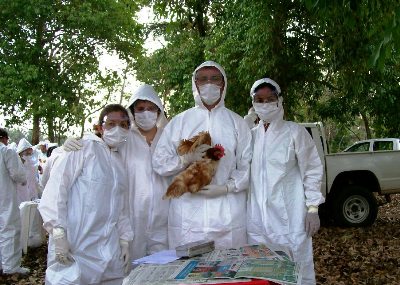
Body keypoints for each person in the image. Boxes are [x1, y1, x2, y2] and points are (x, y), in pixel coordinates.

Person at [63, 85, 170, 261]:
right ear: (133, 112)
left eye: (151, 108)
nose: (146, 113)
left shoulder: (169, 137)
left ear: (158, 110)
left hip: (163, 218)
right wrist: (65, 148)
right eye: (140, 109)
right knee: (130, 269)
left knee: (162, 268)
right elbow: (99, 146)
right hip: (130, 218)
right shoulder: (125, 138)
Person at [152, 61, 252, 249]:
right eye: (203, 79)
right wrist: (184, 160)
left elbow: (247, 165)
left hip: (227, 213)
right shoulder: (180, 122)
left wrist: (227, 188)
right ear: (195, 83)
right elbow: (159, 163)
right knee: (188, 273)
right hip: (188, 214)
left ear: (224, 84)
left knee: (227, 273)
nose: (209, 83)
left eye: (215, 79)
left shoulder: (237, 123)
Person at [39, 104, 133, 285]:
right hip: (75, 245)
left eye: (124, 124)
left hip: (107, 248)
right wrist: (57, 231)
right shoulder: (82, 149)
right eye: (111, 124)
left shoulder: (119, 162)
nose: (118, 129)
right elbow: (57, 189)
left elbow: (120, 206)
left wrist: (124, 239)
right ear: (99, 128)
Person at [246, 78, 325, 285]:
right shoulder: (251, 136)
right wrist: (244, 126)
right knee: (262, 274)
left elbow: (312, 169)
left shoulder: (294, 132)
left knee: (298, 272)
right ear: (253, 104)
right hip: (257, 220)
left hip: (290, 219)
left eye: (270, 99)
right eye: (259, 100)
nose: (265, 104)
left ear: (279, 101)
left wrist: (313, 208)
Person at [0, 128, 30, 275]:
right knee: (9, 228)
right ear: (4, 138)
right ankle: (10, 267)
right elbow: (18, 174)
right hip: (4, 196)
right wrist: (24, 180)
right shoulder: (6, 151)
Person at [16, 138, 41, 204]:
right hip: (21, 191)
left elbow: (34, 174)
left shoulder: (31, 162)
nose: (29, 154)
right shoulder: (17, 163)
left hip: (32, 191)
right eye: (27, 152)